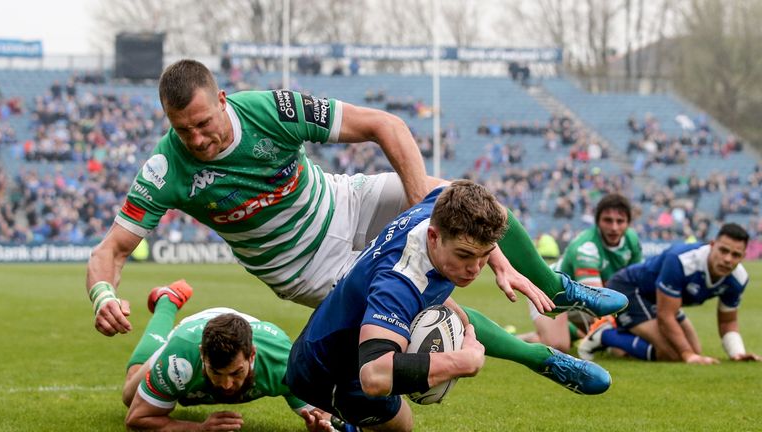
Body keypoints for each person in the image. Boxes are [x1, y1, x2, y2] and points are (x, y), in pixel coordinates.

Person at [86, 59, 624, 375]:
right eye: (185, 131)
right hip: (304, 268)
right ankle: (545, 362)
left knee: (466, 195)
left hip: (347, 200)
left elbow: (386, 125)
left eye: (204, 123)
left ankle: (559, 289)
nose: (198, 139)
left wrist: (420, 206)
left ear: (222, 99)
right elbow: (110, 251)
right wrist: (104, 295)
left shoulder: (269, 111)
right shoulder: (166, 169)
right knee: (417, 308)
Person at [286, 181, 613, 431]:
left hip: (362, 326)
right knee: (403, 424)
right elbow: (374, 374)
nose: (474, 268)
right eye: (465, 256)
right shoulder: (399, 285)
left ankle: (541, 355)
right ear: (433, 237)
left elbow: (479, 202)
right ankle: (346, 422)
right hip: (327, 372)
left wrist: (500, 263)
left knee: (457, 316)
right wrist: (462, 362)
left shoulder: (442, 205)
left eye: (483, 256)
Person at [122, 279, 341, 431]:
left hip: (246, 330)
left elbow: (326, 415)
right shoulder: (181, 355)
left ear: (252, 355)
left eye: (237, 372)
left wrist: (322, 426)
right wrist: (199, 429)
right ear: (202, 355)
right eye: (216, 373)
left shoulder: (281, 361)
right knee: (129, 395)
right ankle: (167, 301)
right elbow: (137, 418)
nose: (227, 385)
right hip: (191, 331)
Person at [578, 223, 761, 363]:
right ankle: (604, 335)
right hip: (631, 289)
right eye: (723, 250)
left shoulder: (737, 279)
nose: (728, 259)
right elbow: (666, 317)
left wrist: (737, 353)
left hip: (660, 299)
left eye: (736, 255)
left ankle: (621, 341)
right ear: (712, 245)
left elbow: (728, 321)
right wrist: (687, 355)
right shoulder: (682, 261)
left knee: (696, 350)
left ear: (744, 256)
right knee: (673, 354)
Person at [520, 194, 642, 352]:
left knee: (608, 336)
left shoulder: (632, 240)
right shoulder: (586, 247)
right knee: (558, 346)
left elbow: (634, 283)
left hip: (579, 296)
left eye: (620, 221)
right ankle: (521, 339)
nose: (614, 227)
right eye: (607, 220)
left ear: (628, 223)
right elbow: (597, 300)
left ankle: (568, 331)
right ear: (597, 221)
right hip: (550, 290)